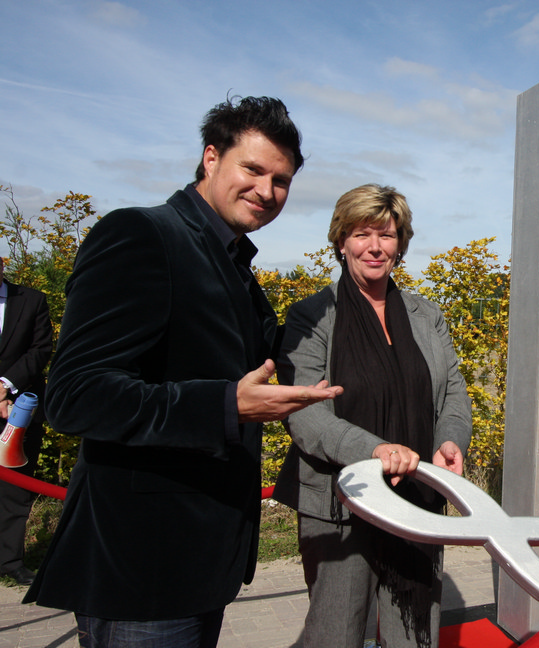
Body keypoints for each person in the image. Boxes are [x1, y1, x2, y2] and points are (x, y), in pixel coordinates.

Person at [23, 96, 343, 647]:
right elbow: (75, 394)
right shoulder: (142, 234)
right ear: (211, 158)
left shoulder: (233, 263)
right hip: (140, 569)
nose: (267, 191)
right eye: (253, 169)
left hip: (201, 563)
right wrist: (225, 405)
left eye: (281, 180)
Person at [273, 184, 472, 648]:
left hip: (417, 497)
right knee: (336, 634)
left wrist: (450, 441)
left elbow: (453, 392)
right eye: (362, 234)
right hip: (340, 503)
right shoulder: (310, 317)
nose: (375, 247)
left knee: (414, 636)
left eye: (387, 234)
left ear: (400, 244)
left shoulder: (427, 316)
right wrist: (376, 451)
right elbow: (305, 413)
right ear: (341, 241)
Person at [0, 257, 53, 586]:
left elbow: (40, 350)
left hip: (19, 410)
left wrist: (5, 386)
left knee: (16, 488)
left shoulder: (32, 300)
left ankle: (10, 561)